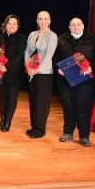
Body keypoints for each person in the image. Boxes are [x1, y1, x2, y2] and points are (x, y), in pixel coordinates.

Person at [54, 17, 95, 146]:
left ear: (83, 25)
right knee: (68, 106)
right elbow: (55, 57)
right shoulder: (60, 39)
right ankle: (67, 132)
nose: (75, 27)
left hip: (85, 80)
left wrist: (92, 67)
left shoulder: (94, 39)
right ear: (69, 27)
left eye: (78, 24)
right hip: (65, 80)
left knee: (83, 107)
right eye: (73, 25)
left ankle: (84, 136)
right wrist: (58, 68)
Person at [25, 11, 58, 139]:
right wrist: (28, 67)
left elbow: (49, 55)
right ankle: (34, 126)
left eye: (45, 19)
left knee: (42, 102)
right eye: (40, 19)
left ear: (49, 21)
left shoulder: (52, 36)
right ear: (37, 21)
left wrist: (37, 69)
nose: (42, 21)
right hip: (31, 72)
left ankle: (40, 129)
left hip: (44, 73)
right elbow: (27, 52)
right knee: (33, 100)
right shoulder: (32, 34)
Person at [0, 15, 26, 132]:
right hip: (0, 72)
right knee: (1, 97)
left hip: (14, 73)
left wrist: (6, 67)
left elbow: (18, 56)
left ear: (18, 26)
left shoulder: (22, 38)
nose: (12, 26)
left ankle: (7, 122)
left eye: (14, 24)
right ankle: (2, 120)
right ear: (5, 24)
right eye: (9, 23)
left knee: (11, 98)